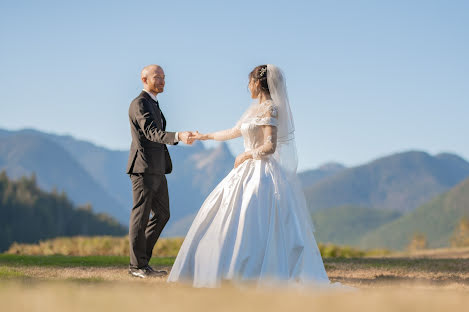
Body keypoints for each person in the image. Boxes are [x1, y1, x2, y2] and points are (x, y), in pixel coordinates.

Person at [167, 64, 331, 288]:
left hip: (261, 173)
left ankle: (253, 270)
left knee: (253, 219)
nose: (247, 86)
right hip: (245, 170)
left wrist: (247, 155)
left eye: (249, 82)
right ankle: (220, 269)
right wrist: (204, 136)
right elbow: (234, 131)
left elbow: (270, 146)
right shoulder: (253, 109)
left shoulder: (271, 108)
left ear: (257, 82)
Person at [126, 64, 193, 278]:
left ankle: (142, 263)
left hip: (158, 169)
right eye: (157, 77)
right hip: (143, 168)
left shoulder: (154, 103)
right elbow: (151, 132)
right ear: (144, 79)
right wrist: (177, 136)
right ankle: (136, 266)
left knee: (163, 214)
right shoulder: (139, 103)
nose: (162, 81)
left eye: (164, 77)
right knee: (141, 216)